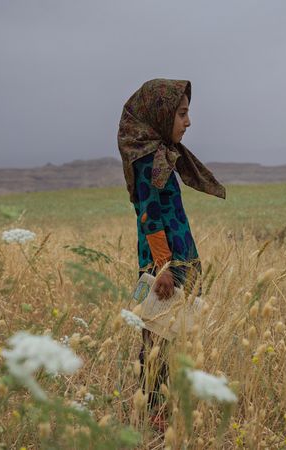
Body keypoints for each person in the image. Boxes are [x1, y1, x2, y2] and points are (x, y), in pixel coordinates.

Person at [117, 78, 226, 426]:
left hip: (175, 260)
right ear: (161, 115)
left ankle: (162, 409)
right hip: (163, 265)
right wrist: (163, 268)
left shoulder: (160, 155)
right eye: (181, 114)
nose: (188, 122)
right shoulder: (148, 160)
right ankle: (154, 416)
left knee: (167, 340)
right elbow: (149, 215)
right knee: (156, 343)